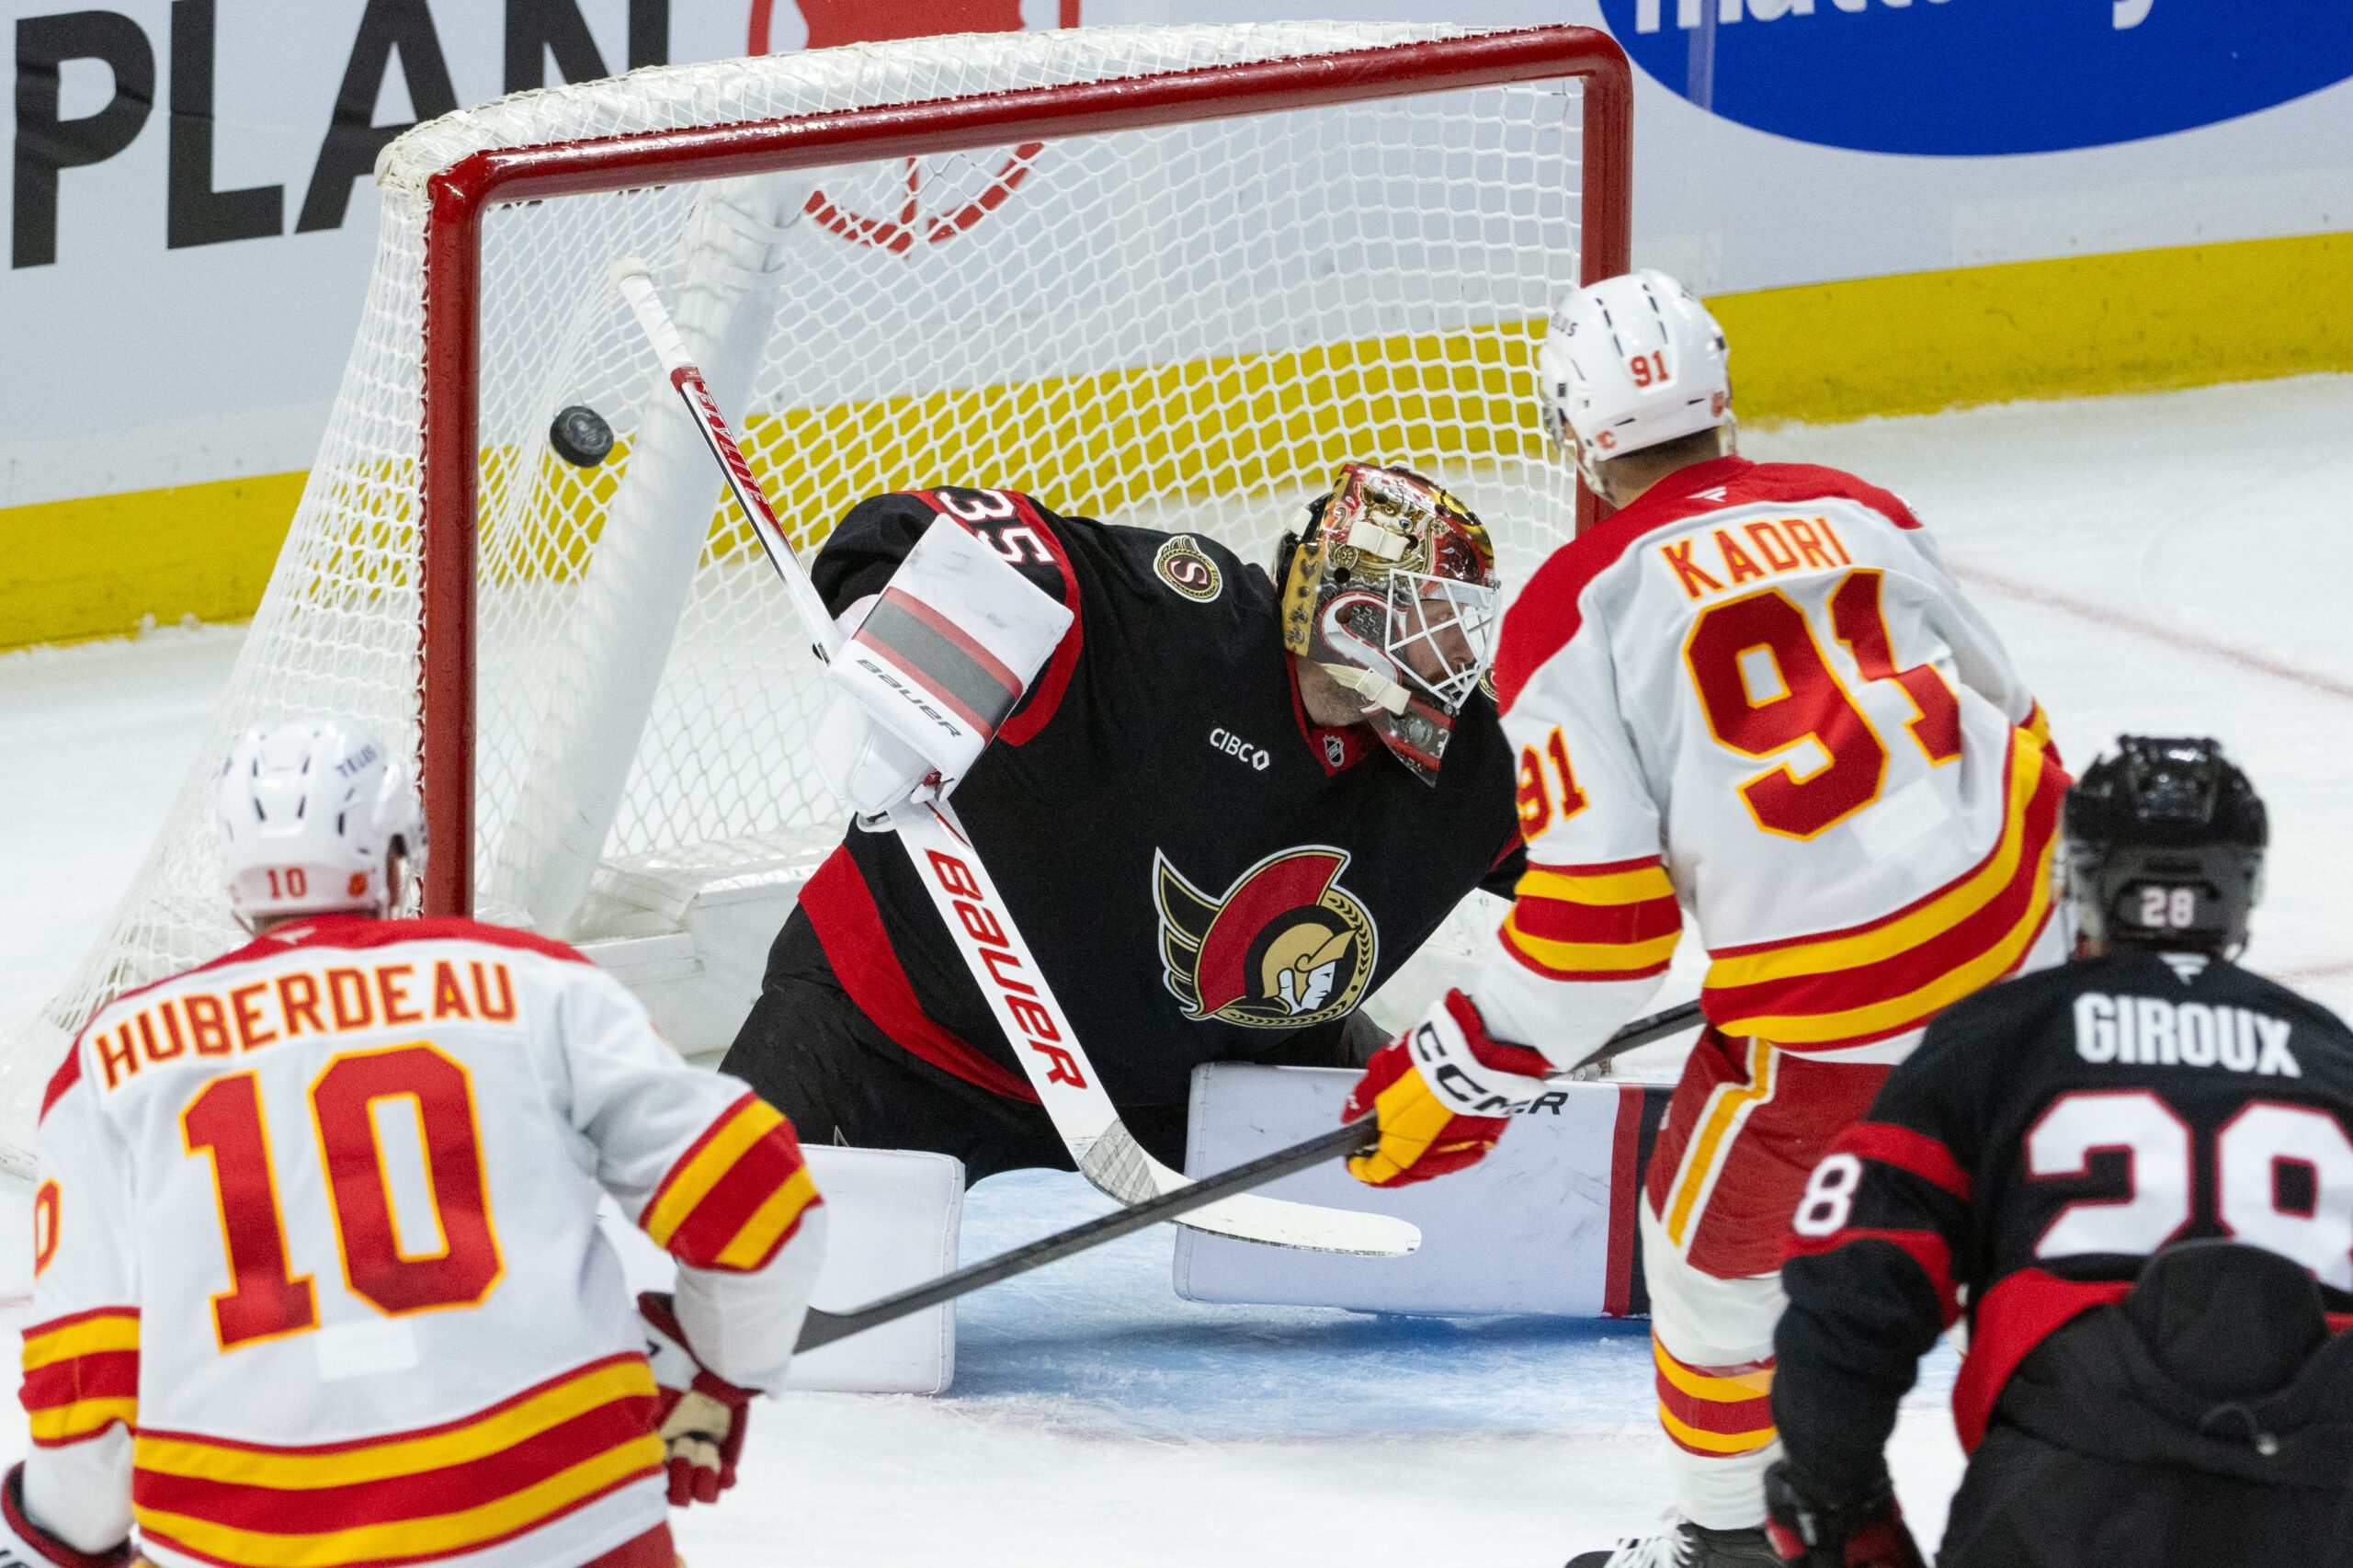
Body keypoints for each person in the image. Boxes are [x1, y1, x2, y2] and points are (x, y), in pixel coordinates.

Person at [1336, 270, 2067, 1566]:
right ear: (1722, 392)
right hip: (2036, 945)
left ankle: (1733, 1540)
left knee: (1704, 1253)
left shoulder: (1577, 604)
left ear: (1575, 432)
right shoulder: (1861, 506)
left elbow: (1602, 934)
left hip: (1846, 1031)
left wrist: (1452, 1071)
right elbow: (2016, 724)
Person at [9, 718, 824, 1568]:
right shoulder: (537, 986)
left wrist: (62, 1539)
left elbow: (89, 1383)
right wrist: (717, 1374)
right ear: (399, 857)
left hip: (254, 1541)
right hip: (568, 1524)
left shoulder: (114, 1062)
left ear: (231, 877)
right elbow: (761, 1207)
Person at [722, 466, 1525, 1182]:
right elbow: (928, 530)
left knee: (1476, 1183)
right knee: (712, 1249)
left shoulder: (1469, 763)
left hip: (1194, 1094)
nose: (1456, 652)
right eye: (1433, 618)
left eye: (1463, 621)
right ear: (1351, 609)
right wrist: (901, 642)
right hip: (898, 1032)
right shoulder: (1173, 623)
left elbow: (1604, 862)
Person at [1765, 736, 2353, 1568]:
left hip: (2069, 1488)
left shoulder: (1999, 1034)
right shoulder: (2333, 1055)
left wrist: (1837, 1505)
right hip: (2320, 1494)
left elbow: (1855, 1284)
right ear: (2241, 888)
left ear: (2082, 877)